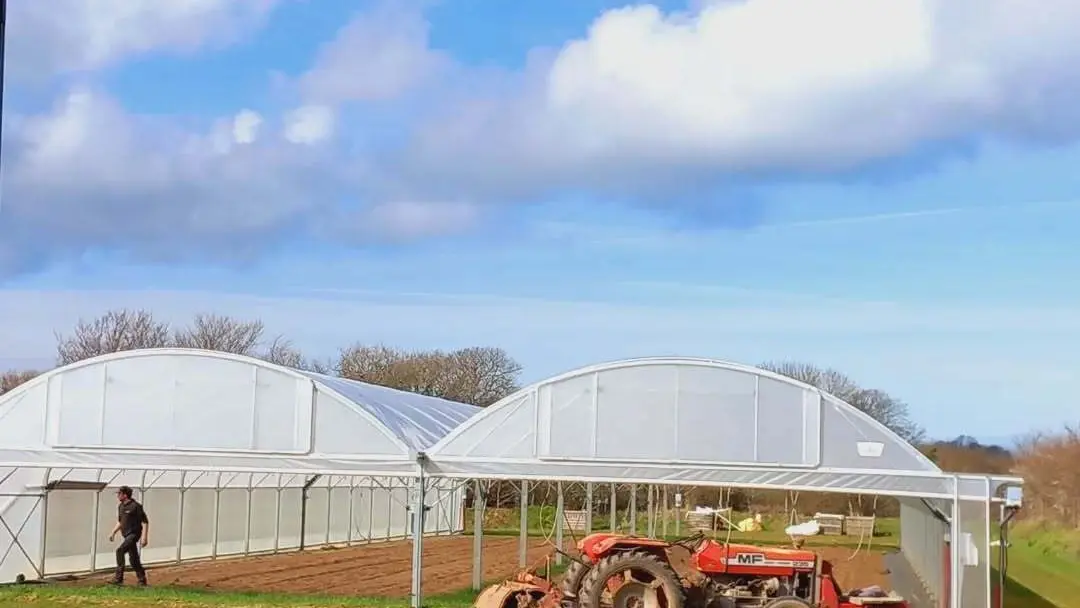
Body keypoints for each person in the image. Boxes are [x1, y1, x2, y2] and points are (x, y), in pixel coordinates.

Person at [108, 486, 149, 586]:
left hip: (134, 534)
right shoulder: (121, 506)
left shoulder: (136, 506)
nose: (118, 496)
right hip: (126, 535)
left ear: (125, 495)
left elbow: (145, 522)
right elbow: (121, 521)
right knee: (134, 559)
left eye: (119, 494)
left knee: (120, 551)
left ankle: (118, 579)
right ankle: (142, 580)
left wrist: (144, 537)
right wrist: (113, 532)